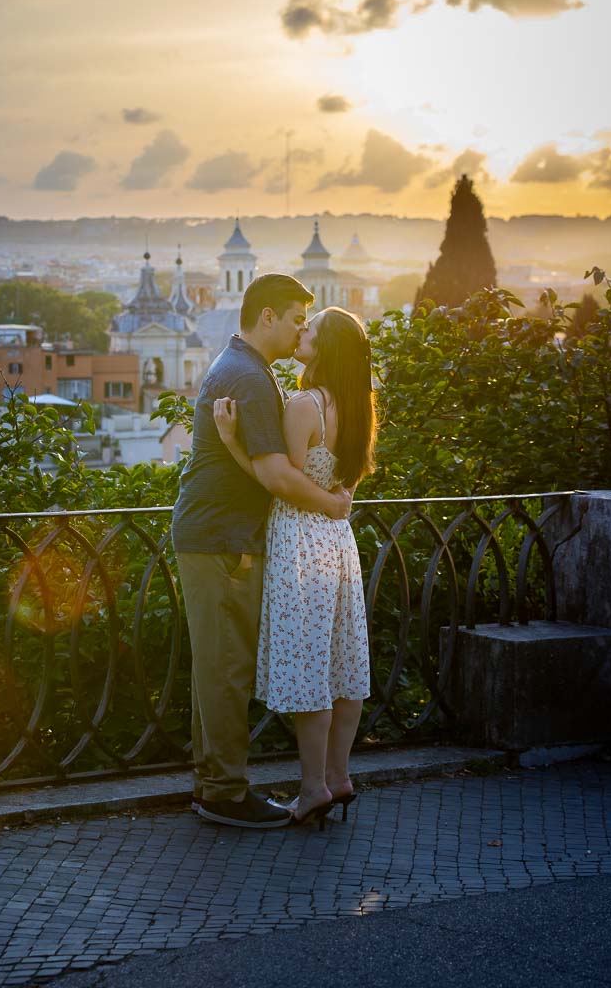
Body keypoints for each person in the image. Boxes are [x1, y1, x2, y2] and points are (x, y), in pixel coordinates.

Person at [171, 275, 353, 830]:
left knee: (218, 665)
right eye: (299, 317)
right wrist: (332, 505)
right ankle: (224, 792)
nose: (303, 326)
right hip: (222, 537)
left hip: (217, 534)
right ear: (268, 316)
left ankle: (214, 784)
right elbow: (276, 474)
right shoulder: (249, 378)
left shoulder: (245, 369)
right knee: (227, 668)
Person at [214, 306, 376, 827]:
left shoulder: (304, 404)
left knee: (309, 673)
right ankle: (339, 776)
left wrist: (230, 443)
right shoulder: (359, 407)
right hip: (339, 541)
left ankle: (312, 790)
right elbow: (341, 489)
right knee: (342, 667)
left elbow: (276, 479)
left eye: (312, 329)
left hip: (300, 541)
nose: (302, 333)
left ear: (324, 349)